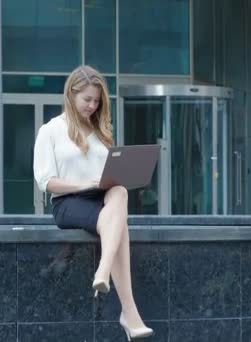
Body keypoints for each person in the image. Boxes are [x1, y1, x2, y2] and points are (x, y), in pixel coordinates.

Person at [33, 65, 153, 341]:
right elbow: (47, 181)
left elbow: (110, 172)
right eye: (87, 99)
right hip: (69, 200)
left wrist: (113, 177)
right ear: (71, 95)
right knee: (118, 225)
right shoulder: (51, 130)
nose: (92, 105)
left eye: (97, 101)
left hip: (102, 197)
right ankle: (130, 313)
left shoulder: (101, 131)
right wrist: (84, 184)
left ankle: (103, 269)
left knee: (120, 190)